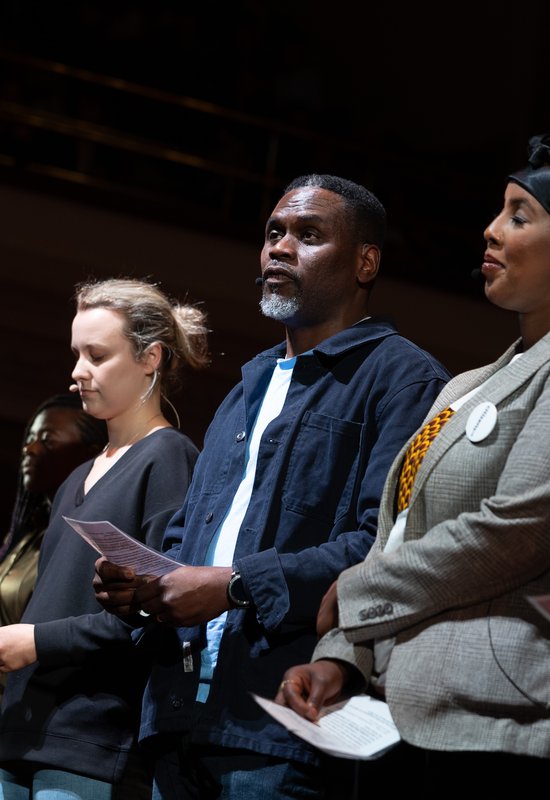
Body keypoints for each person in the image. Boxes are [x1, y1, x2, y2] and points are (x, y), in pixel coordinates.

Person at [93, 175, 451, 799]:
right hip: (180, 718)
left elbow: (385, 547)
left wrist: (233, 585)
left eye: (308, 235)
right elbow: (188, 537)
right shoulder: (245, 390)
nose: (280, 248)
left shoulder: (404, 380)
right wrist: (146, 588)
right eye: (274, 233)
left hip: (284, 725)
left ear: (365, 262)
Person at [276, 135, 550, 793]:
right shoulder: (466, 386)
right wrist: (341, 657)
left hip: (497, 723)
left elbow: (518, 529)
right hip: (392, 714)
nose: (491, 230)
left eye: (519, 215)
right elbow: (396, 533)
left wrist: (356, 594)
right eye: (497, 211)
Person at [0, 278, 209, 800]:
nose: (78, 371)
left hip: (91, 737)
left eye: (97, 355)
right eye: (77, 354)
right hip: (22, 725)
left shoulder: (168, 459)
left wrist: (34, 642)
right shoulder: (77, 477)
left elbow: (156, 610)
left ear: (150, 358)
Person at [0, 392, 107, 632]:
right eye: (30, 438)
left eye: (47, 440)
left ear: (90, 454)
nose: (29, 448)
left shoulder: (88, 541)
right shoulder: (29, 534)